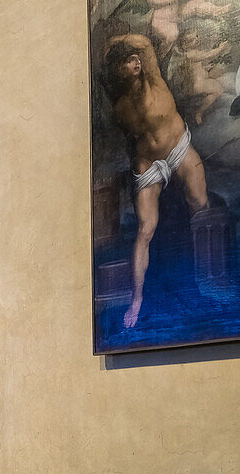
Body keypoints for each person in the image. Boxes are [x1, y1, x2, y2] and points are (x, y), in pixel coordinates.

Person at [103, 33, 211, 328]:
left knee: (201, 207)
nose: (134, 62)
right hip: (147, 162)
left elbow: (144, 43)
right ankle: (136, 300)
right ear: (118, 71)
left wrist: (115, 42)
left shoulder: (153, 78)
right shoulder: (119, 102)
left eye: (134, 59)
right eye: (126, 62)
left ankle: (207, 279)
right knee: (145, 230)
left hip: (177, 147)